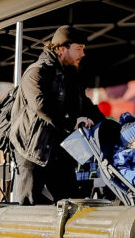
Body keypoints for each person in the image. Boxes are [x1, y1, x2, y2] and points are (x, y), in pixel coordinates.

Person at [9, 25, 104, 205]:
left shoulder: (71, 75)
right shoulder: (36, 71)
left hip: (59, 149)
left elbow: (84, 104)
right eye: (79, 49)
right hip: (32, 149)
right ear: (62, 49)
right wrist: (71, 122)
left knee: (70, 202)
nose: (83, 54)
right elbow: (40, 106)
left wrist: (107, 124)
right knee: (28, 203)